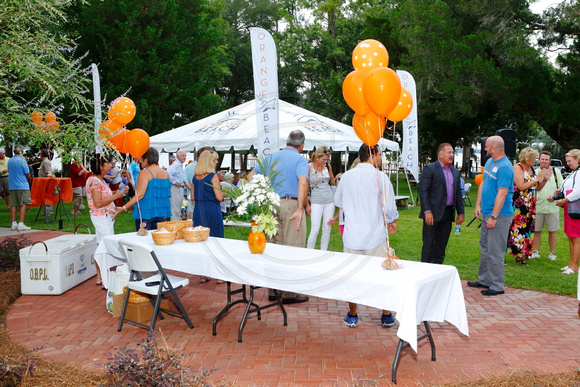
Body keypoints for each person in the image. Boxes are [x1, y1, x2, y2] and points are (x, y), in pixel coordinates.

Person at [335, 144, 399, 328]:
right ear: (372, 155)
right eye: (379, 155)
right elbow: (389, 208)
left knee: (352, 276)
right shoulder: (381, 177)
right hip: (375, 236)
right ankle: (386, 314)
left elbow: (338, 201)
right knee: (381, 275)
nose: (380, 159)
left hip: (353, 234)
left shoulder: (347, 177)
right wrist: (393, 220)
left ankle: (352, 314)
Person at [251, 130, 310, 304]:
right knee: (293, 249)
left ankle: (273, 290)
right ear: (302, 145)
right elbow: (303, 182)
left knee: (274, 247)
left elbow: (251, 176)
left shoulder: (272, 157)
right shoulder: (300, 159)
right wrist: (300, 208)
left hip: (270, 206)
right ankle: (289, 293)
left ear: (287, 142)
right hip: (291, 205)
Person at [468, 136, 514, 296]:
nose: (485, 149)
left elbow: (502, 194)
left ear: (494, 148)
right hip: (487, 212)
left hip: (499, 216)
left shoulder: (505, 167)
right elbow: (483, 184)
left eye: (487, 147)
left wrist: (494, 217)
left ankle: (496, 285)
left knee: (495, 251)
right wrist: (478, 204)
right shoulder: (489, 163)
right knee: (485, 248)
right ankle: (484, 280)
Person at [418, 143, 465, 264]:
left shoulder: (455, 172)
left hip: (448, 214)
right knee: (428, 245)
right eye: (449, 152)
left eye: (453, 153)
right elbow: (423, 191)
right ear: (441, 154)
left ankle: (437, 271)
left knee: (441, 246)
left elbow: (458, 193)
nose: (452, 155)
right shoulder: (430, 169)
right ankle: (425, 272)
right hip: (432, 214)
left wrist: (461, 212)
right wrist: (427, 211)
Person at [86, 154, 127, 285]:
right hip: (102, 218)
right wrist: (116, 196)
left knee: (101, 246)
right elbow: (98, 203)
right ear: (100, 166)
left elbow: (103, 198)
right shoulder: (95, 181)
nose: (111, 165)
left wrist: (118, 193)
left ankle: (100, 277)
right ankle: (107, 279)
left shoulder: (99, 180)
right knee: (107, 247)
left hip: (103, 217)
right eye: (108, 163)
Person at [114, 147, 171, 231]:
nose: (139, 160)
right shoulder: (165, 173)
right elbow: (167, 193)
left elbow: (140, 195)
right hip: (161, 213)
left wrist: (124, 208)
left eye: (141, 158)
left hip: (146, 213)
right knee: (159, 239)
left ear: (146, 160)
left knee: (143, 240)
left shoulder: (145, 172)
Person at [507, 147, 542, 266]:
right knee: (517, 229)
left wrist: (544, 180)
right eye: (534, 158)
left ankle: (523, 254)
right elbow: (521, 186)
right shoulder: (517, 168)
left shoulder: (532, 169)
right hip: (519, 203)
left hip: (530, 204)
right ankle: (516, 254)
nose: (535, 161)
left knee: (528, 229)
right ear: (527, 158)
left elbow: (537, 187)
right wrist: (536, 179)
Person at [551, 149, 580, 274]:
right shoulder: (574, 172)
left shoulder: (579, 173)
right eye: (567, 161)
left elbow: (578, 191)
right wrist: (559, 192)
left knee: (576, 237)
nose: (568, 163)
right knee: (571, 237)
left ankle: (574, 266)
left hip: (575, 207)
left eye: (570, 161)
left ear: (577, 159)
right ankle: (570, 264)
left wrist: (563, 201)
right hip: (570, 206)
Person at [531, 151, 562, 261]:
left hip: (552, 206)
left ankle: (552, 253)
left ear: (550, 161)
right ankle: (535, 251)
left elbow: (561, 188)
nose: (544, 161)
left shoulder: (556, 172)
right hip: (538, 206)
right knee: (537, 230)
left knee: (552, 231)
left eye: (546, 159)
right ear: (538, 160)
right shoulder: (534, 172)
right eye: (542, 159)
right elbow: (535, 188)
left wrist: (555, 196)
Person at [306, 146, 336, 251]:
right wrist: (307, 204)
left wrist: (342, 181)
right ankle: (309, 252)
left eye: (327, 159)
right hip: (316, 201)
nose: (325, 161)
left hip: (329, 200)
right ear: (317, 157)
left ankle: (323, 251)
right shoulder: (309, 167)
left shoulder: (328, 166)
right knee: (315, 229)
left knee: (327, 228)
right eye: (323, 159)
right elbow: (304, 185)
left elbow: (332, 181)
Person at [191, 150, 225, 238]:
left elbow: (192, 197)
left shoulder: (195, 176)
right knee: (215, 237)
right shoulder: (213, 176)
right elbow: (219, 197)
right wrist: (225, 193)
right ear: (209, 162)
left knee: (199, 237)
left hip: (198, 209)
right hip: (212, 210)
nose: (217, 162)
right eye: (215, 160)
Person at [7, 145, 32, 231]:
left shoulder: (10, 160)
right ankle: (21, 223)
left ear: (14, 152)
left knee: (13, 204)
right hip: (22, 185)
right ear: (22, 152)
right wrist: (30, 179)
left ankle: (13, 223)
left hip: (12, 185)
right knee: (23, 203)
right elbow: (27, 174)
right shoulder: (22, 161)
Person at [168, 150, 187, 220]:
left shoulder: (179, 165)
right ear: (178, 156)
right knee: (175, 208)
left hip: (179, 188)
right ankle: (174, 225)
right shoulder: (176, 164)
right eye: (183, 156)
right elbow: (168, 172)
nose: (184, 157)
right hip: (176, 188)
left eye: (185, 156)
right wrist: (174, 182)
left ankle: (176, 224)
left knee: (178, 208)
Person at [38, 148, 54, 216]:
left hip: (45, 182)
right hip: (43, 182)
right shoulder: (44, 161)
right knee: (44, 196)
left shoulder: (45, 162)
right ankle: (45, 211)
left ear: (41, 154)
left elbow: (48, 172)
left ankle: (48, 211)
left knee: (46, 196)